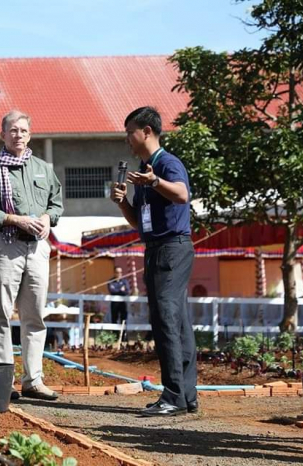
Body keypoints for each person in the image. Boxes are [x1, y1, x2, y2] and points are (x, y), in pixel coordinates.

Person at [0, 110, 63, 401]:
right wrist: (14, 219)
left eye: (23, 130)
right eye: (12, 130)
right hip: (4, 246)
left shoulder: (42, 168)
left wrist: (47, 218)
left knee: (34, 315)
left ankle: (33, 380)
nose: (18, 135)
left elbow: (56, 203)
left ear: (30, 135)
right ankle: (3, 381)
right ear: (3, 135)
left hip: (37, 248)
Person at [111, 106, 196, 417]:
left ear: (147, 131)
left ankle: (173, 397)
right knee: (177, 322)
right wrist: (123, 203)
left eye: (129, 132)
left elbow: (182, 195)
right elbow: (140, 222)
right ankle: (186, 395)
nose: (127, 139)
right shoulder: (144, 170)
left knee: (166, 322)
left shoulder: (166, 164)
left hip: (171, 249)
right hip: (157, 249)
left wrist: (155, 181)